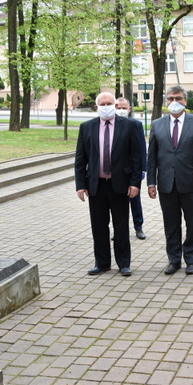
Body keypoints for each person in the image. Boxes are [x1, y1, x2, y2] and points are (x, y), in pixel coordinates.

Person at [75, 92, 143, 276]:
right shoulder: (86, 127)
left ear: (115, 104)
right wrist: (81, 184)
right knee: (98, 226)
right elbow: (80, 159)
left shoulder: (128, 126)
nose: (106, 106)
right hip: (96, 185)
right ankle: (102, 263)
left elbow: (136, 157)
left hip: (120, 184)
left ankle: (124, 264)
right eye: (102, 103)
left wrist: (135, 183)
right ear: (96, 107)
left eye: (109, 103)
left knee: (121, 225)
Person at [146, 85, 193, 275]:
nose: (174, 102)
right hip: (166, 184)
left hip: (191, 182)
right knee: (171, 224)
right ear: (166, 101)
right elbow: (151, 157)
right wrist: (151, 182)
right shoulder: (157, 124)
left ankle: (191, 259)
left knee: (192, 224)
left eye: (178, 98)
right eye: (170, 99)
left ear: (185, 101)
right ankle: (173, 259)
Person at [115, 97, 148, 240]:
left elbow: (141, 147)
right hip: (117, 171)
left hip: (132, 171)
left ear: (129, 109)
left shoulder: (136, 124)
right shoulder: (110, 124)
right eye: (118, 107)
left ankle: (138, 227)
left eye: (124, 107)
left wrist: (142, 169)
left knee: (135, 200)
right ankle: (118, 230)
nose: (121, 110)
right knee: (117, 203)